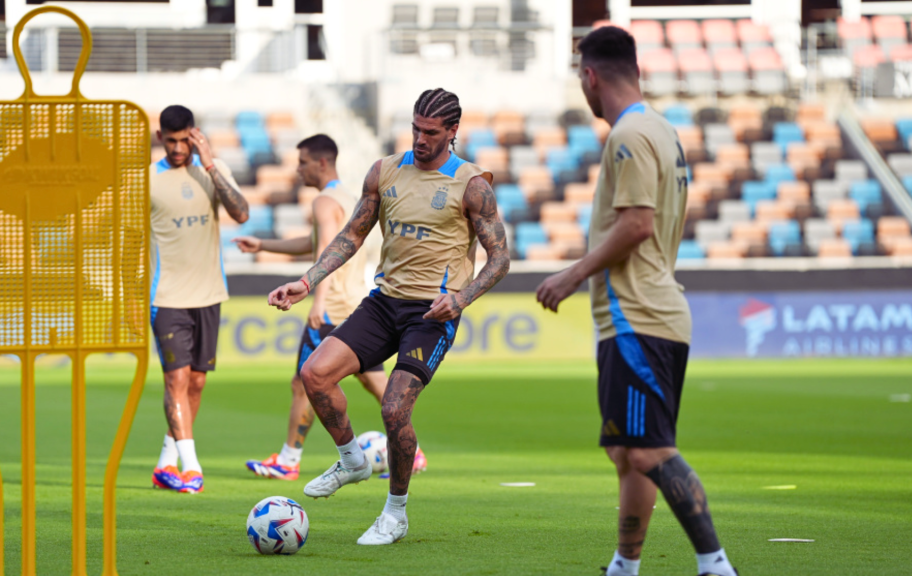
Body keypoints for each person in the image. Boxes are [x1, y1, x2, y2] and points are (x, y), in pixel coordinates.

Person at [267, 88, 509, 545]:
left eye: (430, 132)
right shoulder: (385, 171)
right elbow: (352, 234)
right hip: (383, 302)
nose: (419, 138)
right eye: (415, 128)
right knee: (314, 375)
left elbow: (500, 259)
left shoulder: (474, 184)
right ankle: (353, 460)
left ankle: (395, 513)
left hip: (432, 313)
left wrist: (461, 300)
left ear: (452, 132)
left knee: (394, 407)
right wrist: (306, 282)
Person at [535, 27, 737, 576]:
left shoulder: (627, 136)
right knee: (627, 451)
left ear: (590, 76)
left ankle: (715, 566)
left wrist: (572, 274)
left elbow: (638, 225)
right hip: (648, 311)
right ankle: (624, 566)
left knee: (648, 451)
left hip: (638, 313)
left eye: (581, 78)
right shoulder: (660, 130)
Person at [235, 134, 426, 480]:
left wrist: (316, 300)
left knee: (303, 381)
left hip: (332, 307)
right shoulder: (347, 197)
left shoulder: (323, 201)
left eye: (303, 162)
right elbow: (314, 245)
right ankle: (415, 452)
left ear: (321, 162)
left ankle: (289, 460)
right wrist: (263, 244)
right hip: (356, 305)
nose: (298, 169)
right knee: (376, 381)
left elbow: (325, 247)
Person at [149, 105, 249, 494]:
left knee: (196, 384)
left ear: (195, 135)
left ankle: (165, 463)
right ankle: (192, 469)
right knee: (175, 379)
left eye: (183, 139)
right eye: (170, 141)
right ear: (161, 138)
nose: (177, 148)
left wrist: (209, 165)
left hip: (209, 293)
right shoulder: (145, 181)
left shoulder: (213, 169)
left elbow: (241, 213)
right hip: (166, 295)